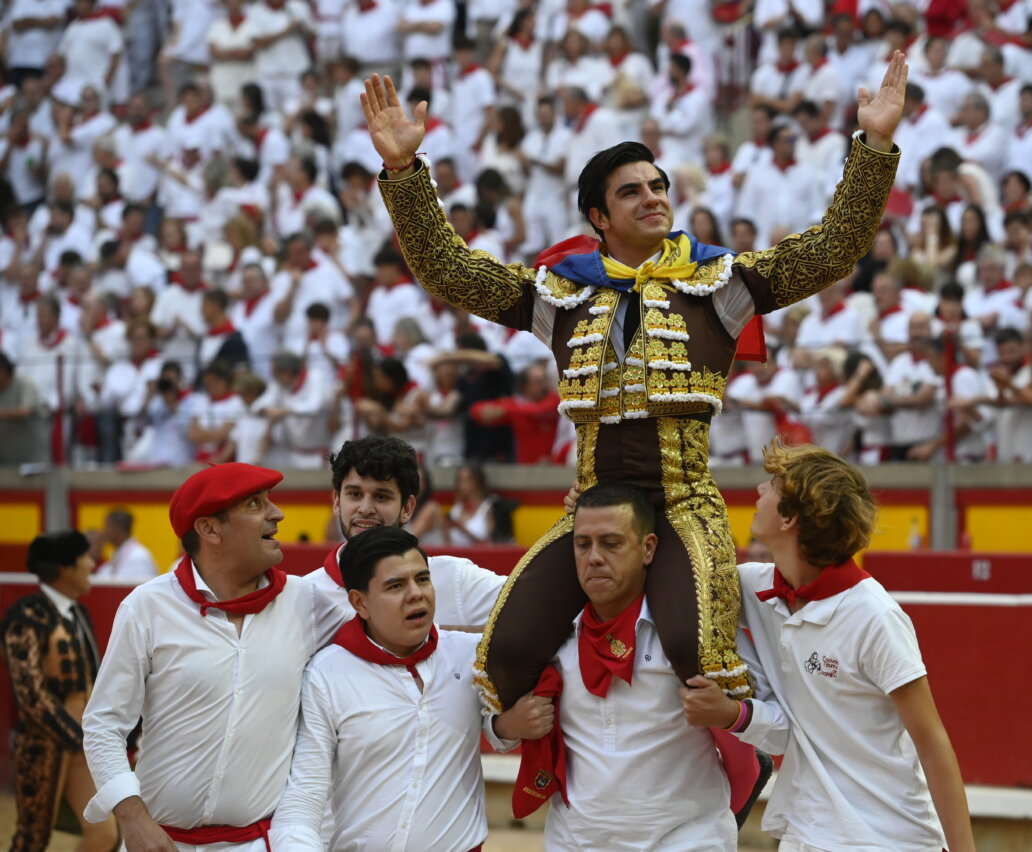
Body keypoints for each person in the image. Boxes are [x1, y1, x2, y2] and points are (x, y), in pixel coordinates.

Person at [361, 53, 906, 714]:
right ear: (599, 216)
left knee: (699, 651)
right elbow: (451, 272)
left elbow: (833, 248)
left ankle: (736, 780)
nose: (654, 198)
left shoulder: (718, 284)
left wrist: (875, 145)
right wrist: (403, 174)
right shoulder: (560, 295)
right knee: (502, 656)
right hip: (591, 504)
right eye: (633, 191)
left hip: (681, 504)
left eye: (658, 186)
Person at [688, 441, 975, 852]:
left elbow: (932, 743)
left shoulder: (874, 616)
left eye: (771, 485)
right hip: (807, 832)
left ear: (791, 518)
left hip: (888, 838)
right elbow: (682, 571)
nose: (758, 490)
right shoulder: (753, 586)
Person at [80, 463, 348, 850]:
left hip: (258, 843)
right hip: (158, 842)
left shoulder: (307, 603)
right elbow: (104, 723)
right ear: (209, 529)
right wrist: (131, 816)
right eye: (256, 504)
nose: (277, 514)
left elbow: (382, 640)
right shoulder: (147, 606)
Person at [271, 527, 542, 851]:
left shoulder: (471, 656)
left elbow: (550, 619)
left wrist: (506, 726)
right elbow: (304, 797)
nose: (416, 594)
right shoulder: (327, 675)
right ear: (360, 603)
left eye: (423, 579)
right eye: (396, 585)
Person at [517, 482, 747, 850]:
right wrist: (502, 728)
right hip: (576, 841)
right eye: (582, 544)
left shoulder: (693, 635)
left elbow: (774, 725)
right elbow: (483, 709)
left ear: (648, 548)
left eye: (611, 543)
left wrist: (731, 713)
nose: (594, 557)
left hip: (686, 838)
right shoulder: (547, 633)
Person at [306, 436, 504, 630]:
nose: (365, 508)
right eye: (355, 494)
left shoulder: (455, 579)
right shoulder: (306, 595)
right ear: (337, 502)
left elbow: (531, 606)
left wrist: (443, 641)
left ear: (407, 508)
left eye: (381, 496)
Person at [1, 531, 117, 852]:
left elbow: (93, 678)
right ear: (65, 568)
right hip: (42, 745)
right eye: (85, 557)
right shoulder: (25, 616)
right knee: (32, 838)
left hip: (82, 746)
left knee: (104, 834)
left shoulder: (77, 612)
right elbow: (31, 695)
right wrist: (77, 735)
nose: (92, 564)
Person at [99, 509, 159, 581]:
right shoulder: (119, 553)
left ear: (117, 528)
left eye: (106, 526)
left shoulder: (138, 557)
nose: (104, 532)